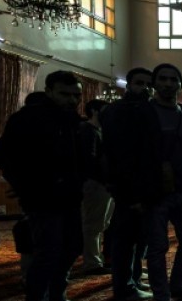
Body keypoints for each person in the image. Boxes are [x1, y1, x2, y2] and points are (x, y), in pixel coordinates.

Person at [109, 64, 182, 301]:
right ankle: (162, 294)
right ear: (155, 84)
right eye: (163, 79)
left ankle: (177, 286)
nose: (168, 83)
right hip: (154, 193)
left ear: (180, 84)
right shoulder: (140, 113)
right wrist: (132, 194)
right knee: (157, 247)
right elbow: (127, 156)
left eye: (173, 79)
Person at [0, 71, 85, 301]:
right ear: (49, 91)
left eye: (76, 95)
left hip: (69, 196)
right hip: (43, 199)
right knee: (49, 253)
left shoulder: (72, 119)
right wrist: (24, 185)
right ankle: (38, 296)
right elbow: (1, 155)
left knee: (72, 247)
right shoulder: (28, 118)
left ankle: (56, 293)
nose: (72, 100)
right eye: (65, 94)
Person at [101, 67, 154, 301]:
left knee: (137, 240)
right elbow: (122, 155)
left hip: (138, 186)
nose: (144, 88)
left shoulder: (143, 109)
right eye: (139, 83)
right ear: (129, 85)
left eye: (147, 84)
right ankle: (124, 287)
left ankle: (132, 282)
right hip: (127, 187)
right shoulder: (119, 111)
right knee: (125, 241)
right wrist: (131, 194)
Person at [79, 99, 112, 274]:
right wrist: (104, 179)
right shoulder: (88, 130)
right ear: (94, 111)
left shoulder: (99, 130)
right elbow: (90, 161)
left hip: (102, 183)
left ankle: (95, 259)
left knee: (101, 223)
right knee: (93, 224)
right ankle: (91, 263)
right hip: (95, 183)